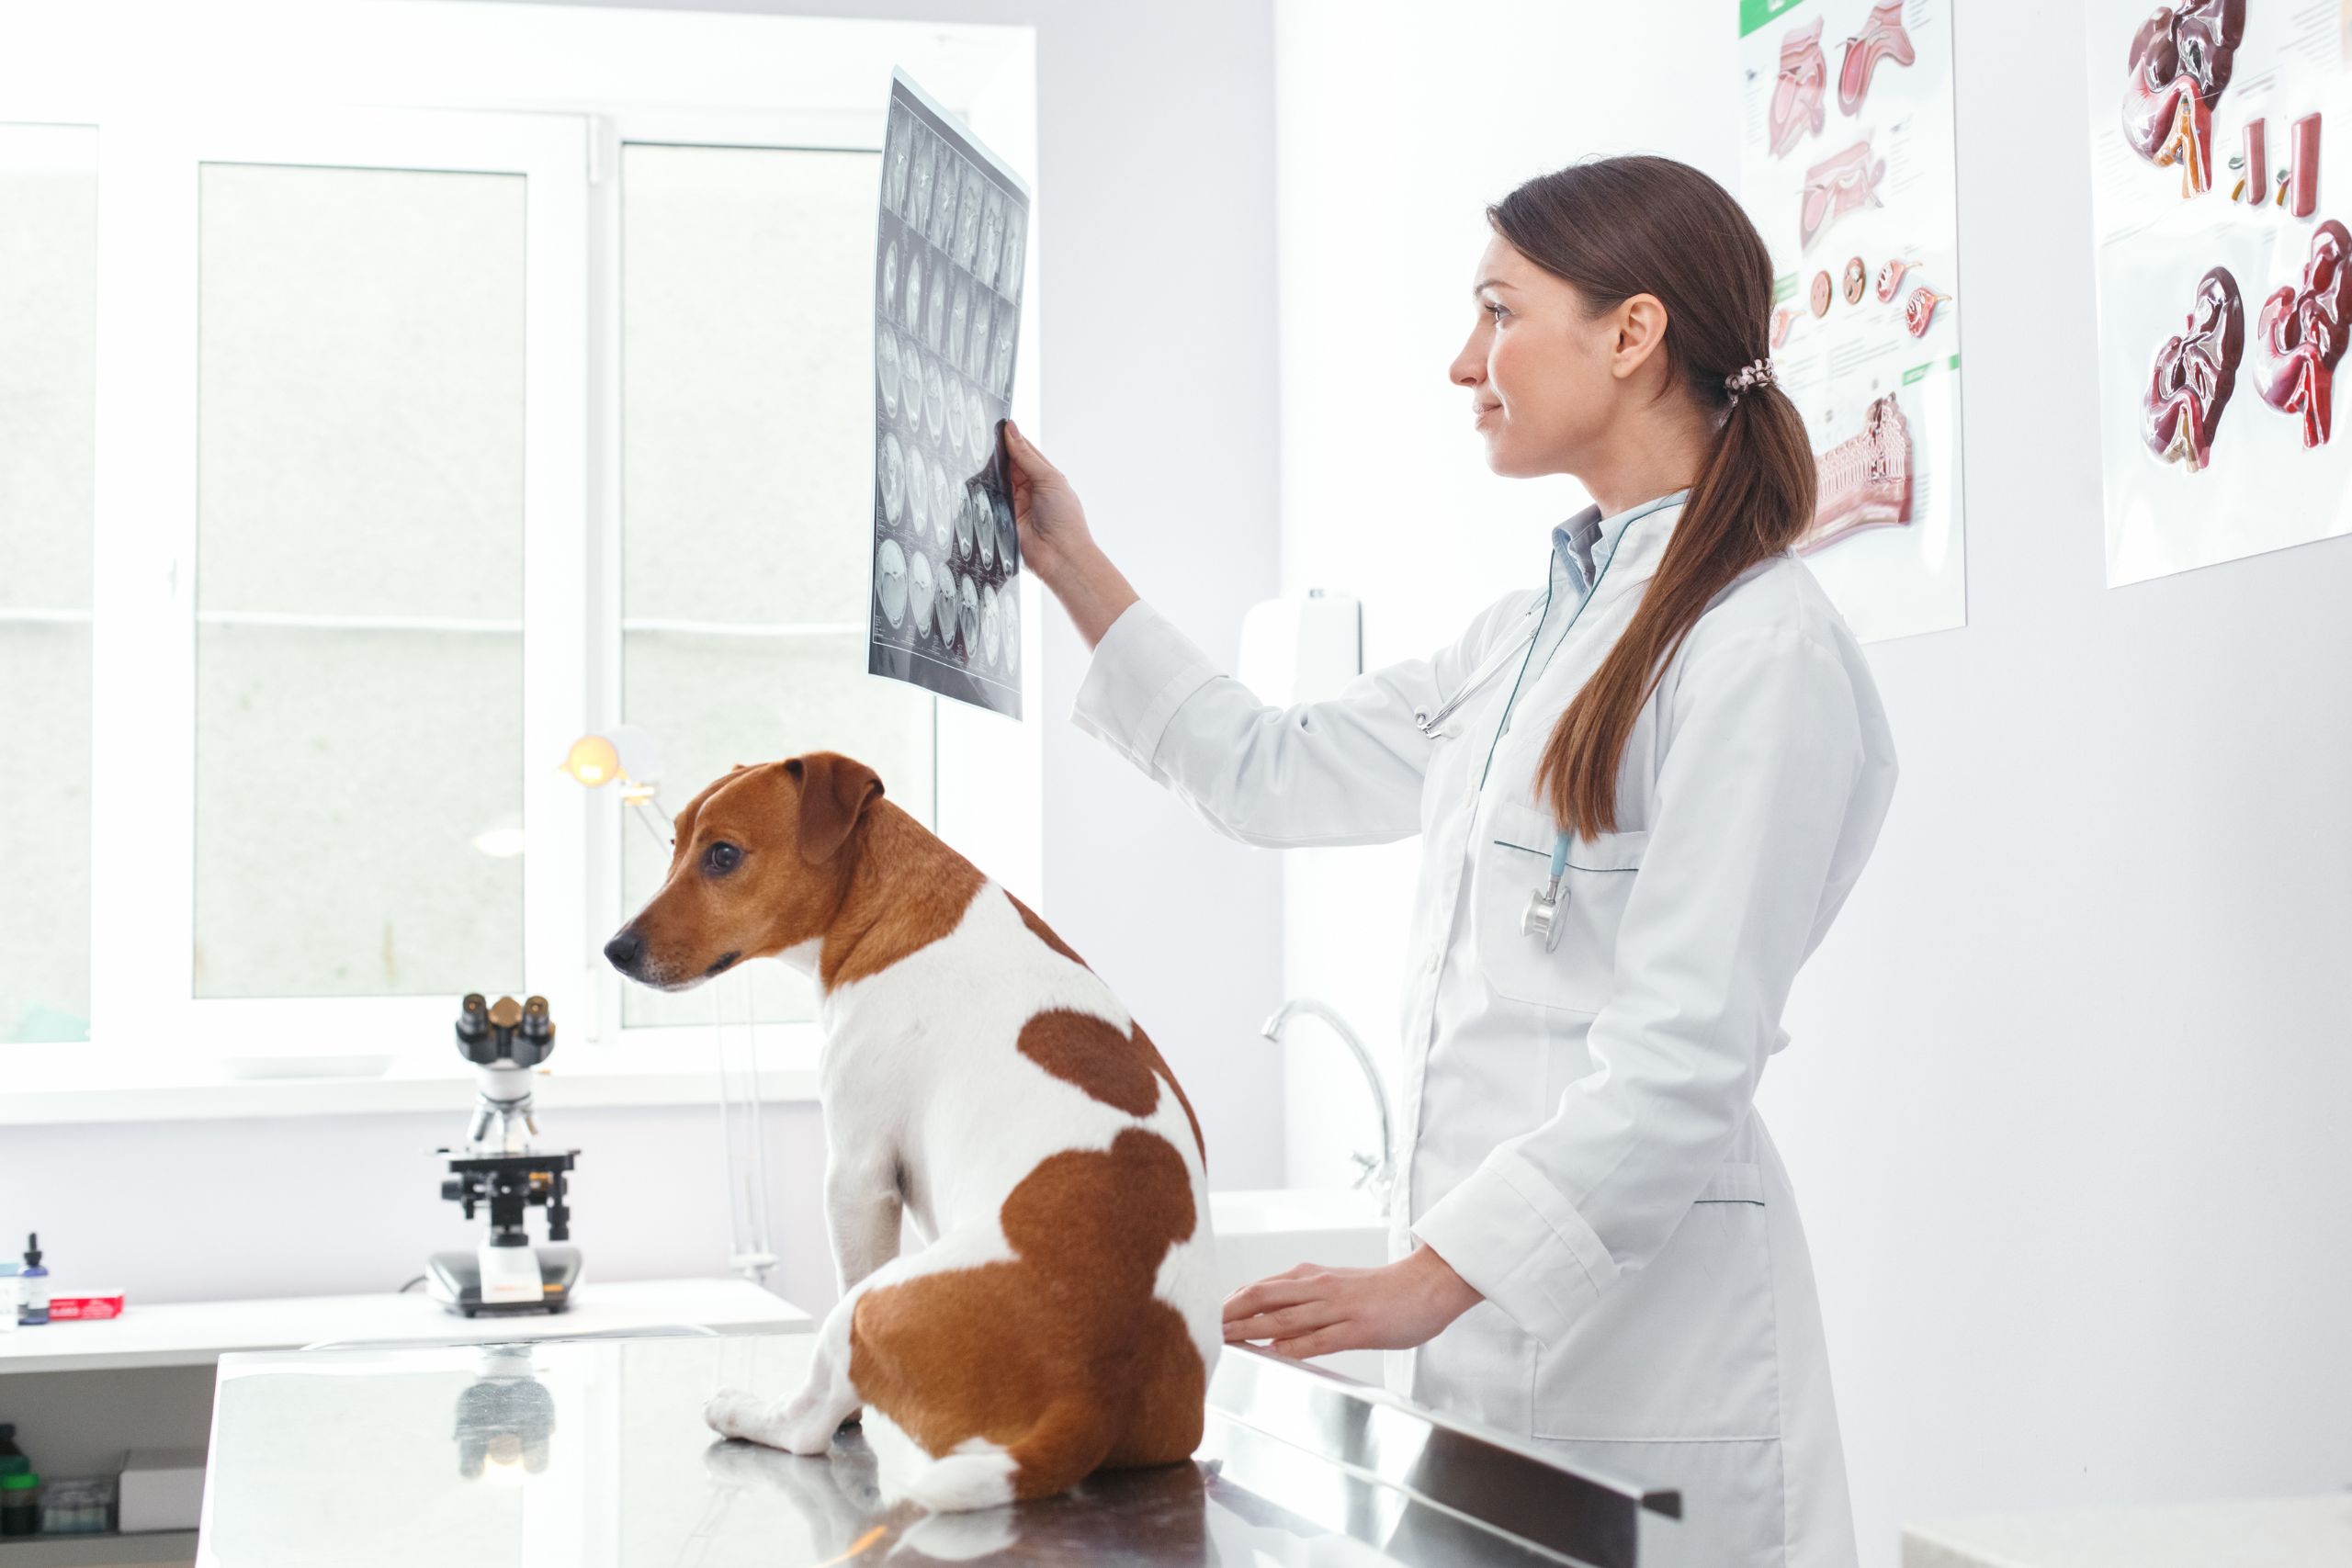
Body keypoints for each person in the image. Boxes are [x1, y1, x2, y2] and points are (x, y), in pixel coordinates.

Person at [1001, 153, 1895, 1568]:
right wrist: (1069, 563)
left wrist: (1431, 1281)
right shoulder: (1529, 634)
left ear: (1632, 332)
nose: (1462, 362)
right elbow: (1268, 767)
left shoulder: (1758, 649)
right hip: (1499, 1354)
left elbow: (1685, 1053)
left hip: (1647, 1361)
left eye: (1498, 311)